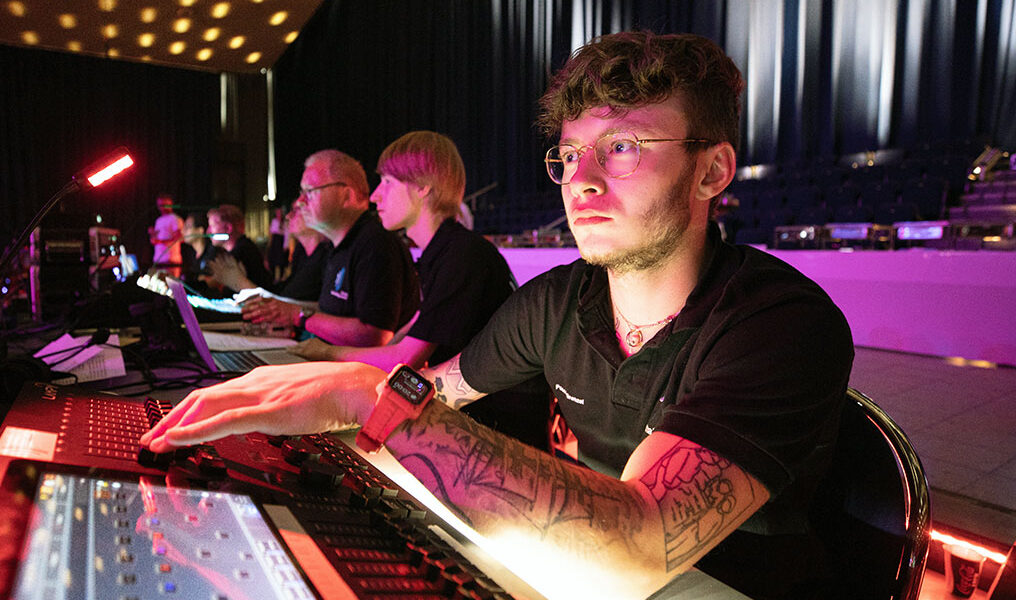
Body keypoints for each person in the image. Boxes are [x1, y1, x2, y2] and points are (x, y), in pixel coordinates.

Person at [143, 31, 853, 600]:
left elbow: (640, 544)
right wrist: (355, 398)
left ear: (712, 171)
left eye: (623, 147)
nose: (582, 180)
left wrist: (367, 398)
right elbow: (436, 387)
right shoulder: (558, 300)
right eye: (570, 153)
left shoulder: (782, 324)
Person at [287, 131, 550, 447]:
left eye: (387, 182)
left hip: (503, 439)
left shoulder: (462, 255)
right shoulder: (442, 252)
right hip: (476, 426)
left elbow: (405, 358)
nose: (375, 196)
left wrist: (327, 353)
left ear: (423, 186)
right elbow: (405, 338)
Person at [239, 149, 419, 347]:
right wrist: (284, 314)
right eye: (301, 193)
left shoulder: (375, 244)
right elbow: (334, 313)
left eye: (310, 191)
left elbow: (374, 335)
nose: (300, 202)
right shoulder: (338, 247)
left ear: (347, 195)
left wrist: (298, 316)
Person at [203, 198, 331, 302]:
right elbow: (285, 295)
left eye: (297, 210)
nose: (288, 216)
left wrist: (240, 283)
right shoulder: (302, 253)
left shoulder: (323, 258)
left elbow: (288, 304)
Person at [197, 204, 274, 295]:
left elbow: (215, 283)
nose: (208, 231)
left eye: (212, 226)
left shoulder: (242, 251)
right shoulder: (244, 246)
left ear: (228, 228)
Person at [148, 193, 184, 277]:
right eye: (159, 205)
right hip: (158, 260)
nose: (161, 207)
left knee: (171, 284)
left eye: (164, 204)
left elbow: (179, 238)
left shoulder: (175, 218)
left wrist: (160, 241)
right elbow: (155, 240)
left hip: (171, 261)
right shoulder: (158, 220)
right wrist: (153, 235)